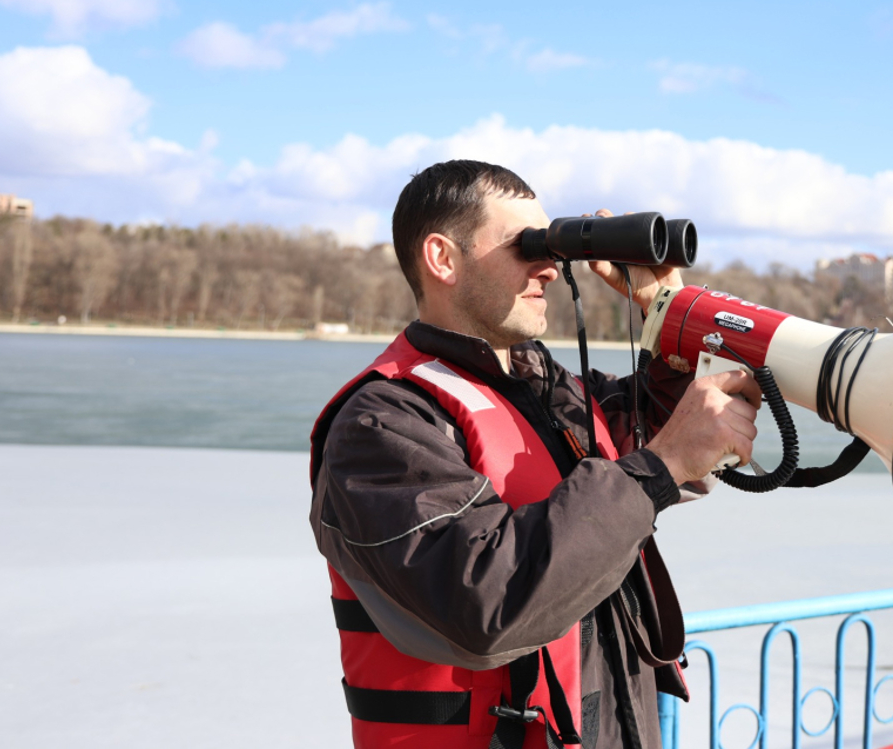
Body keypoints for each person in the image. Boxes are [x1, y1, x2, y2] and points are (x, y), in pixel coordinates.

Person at [309, 160, 761, 749]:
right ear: (442, 259)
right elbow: (486, 603)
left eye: (551, 246)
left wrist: (666, 308)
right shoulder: (382, 426)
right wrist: (665, 465)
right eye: (525, 246)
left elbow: (660, 427)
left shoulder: (554, 393)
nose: (549, 267)